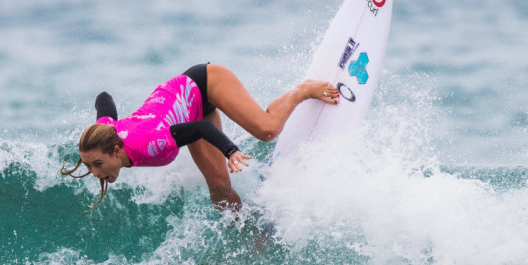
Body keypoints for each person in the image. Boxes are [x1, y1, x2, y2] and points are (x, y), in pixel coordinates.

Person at [61, 63, 339, 210]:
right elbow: (104, 98)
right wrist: (97, 127)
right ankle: (252, 232)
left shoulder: (150, 143)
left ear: (117, 151)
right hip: (188, 113)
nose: (94, 172)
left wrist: (231, 151)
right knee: (220, 192)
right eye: (88, 165)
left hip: (205, 83)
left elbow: (200, 129)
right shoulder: (107, 133)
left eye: (96, 164)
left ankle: (302, 90)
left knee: (267, 130)